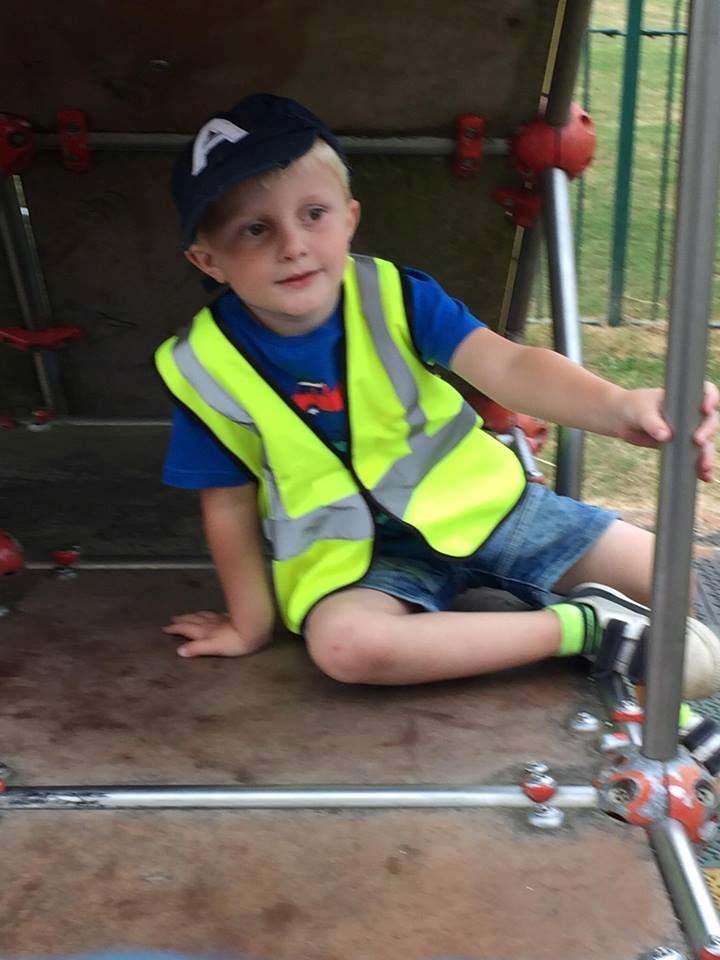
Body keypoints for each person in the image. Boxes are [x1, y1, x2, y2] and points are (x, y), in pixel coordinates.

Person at [155, 93, 720, 746]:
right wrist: (249, 624)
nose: (294, 246)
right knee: (345, 648)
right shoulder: (201, 366)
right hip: (362, 562)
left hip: (490, 508)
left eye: (313, 214)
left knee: (667, 574)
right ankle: (586, 628)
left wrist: (618, 406)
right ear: (208, 260)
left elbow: (508, 366)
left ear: (349, 218)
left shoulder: (394, 295)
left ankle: (647, 704)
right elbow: (227, 502)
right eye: (255, 229)